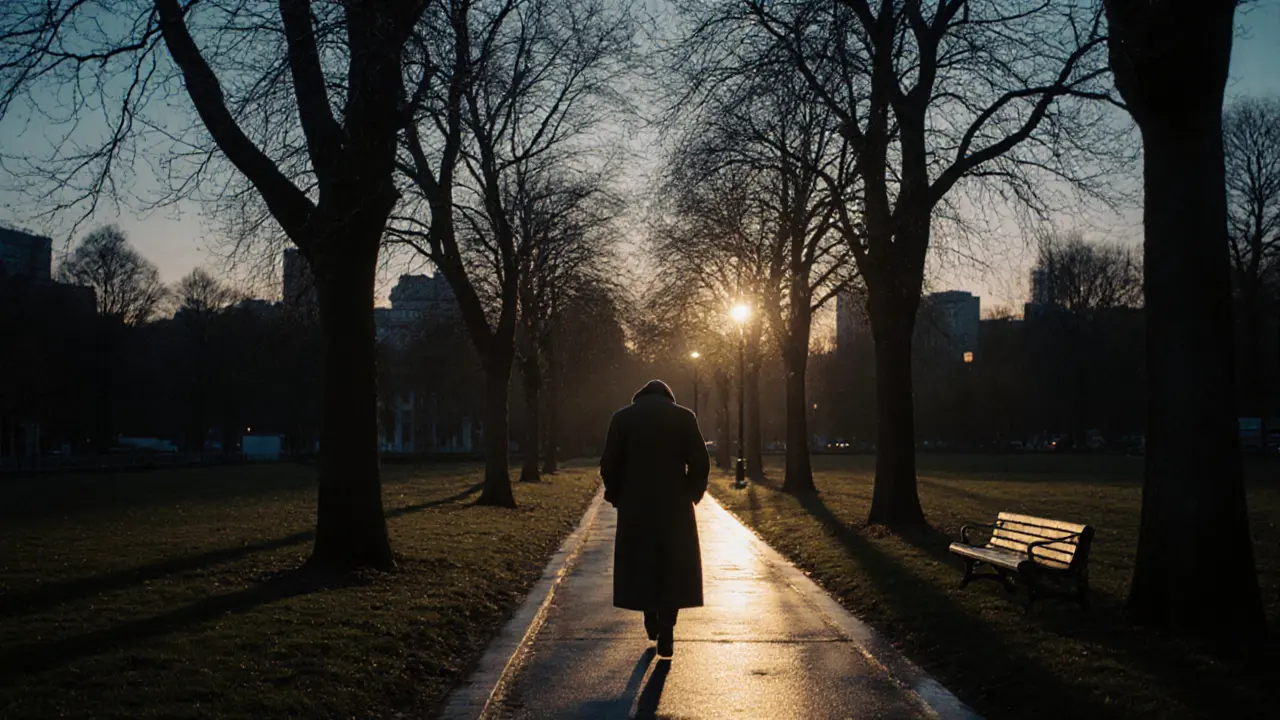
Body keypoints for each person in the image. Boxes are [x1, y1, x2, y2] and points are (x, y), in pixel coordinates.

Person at [600, 379, 710, 658]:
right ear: (668, 397)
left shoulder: (622, 418)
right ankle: (668, 624)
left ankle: (650, 618)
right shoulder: (684, 417)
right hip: (674, 504)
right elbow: (700, 460)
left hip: (636, 505)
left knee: (642, 564)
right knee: (673, 565)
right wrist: (691, 492)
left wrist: (616, 495)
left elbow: (609, 463)